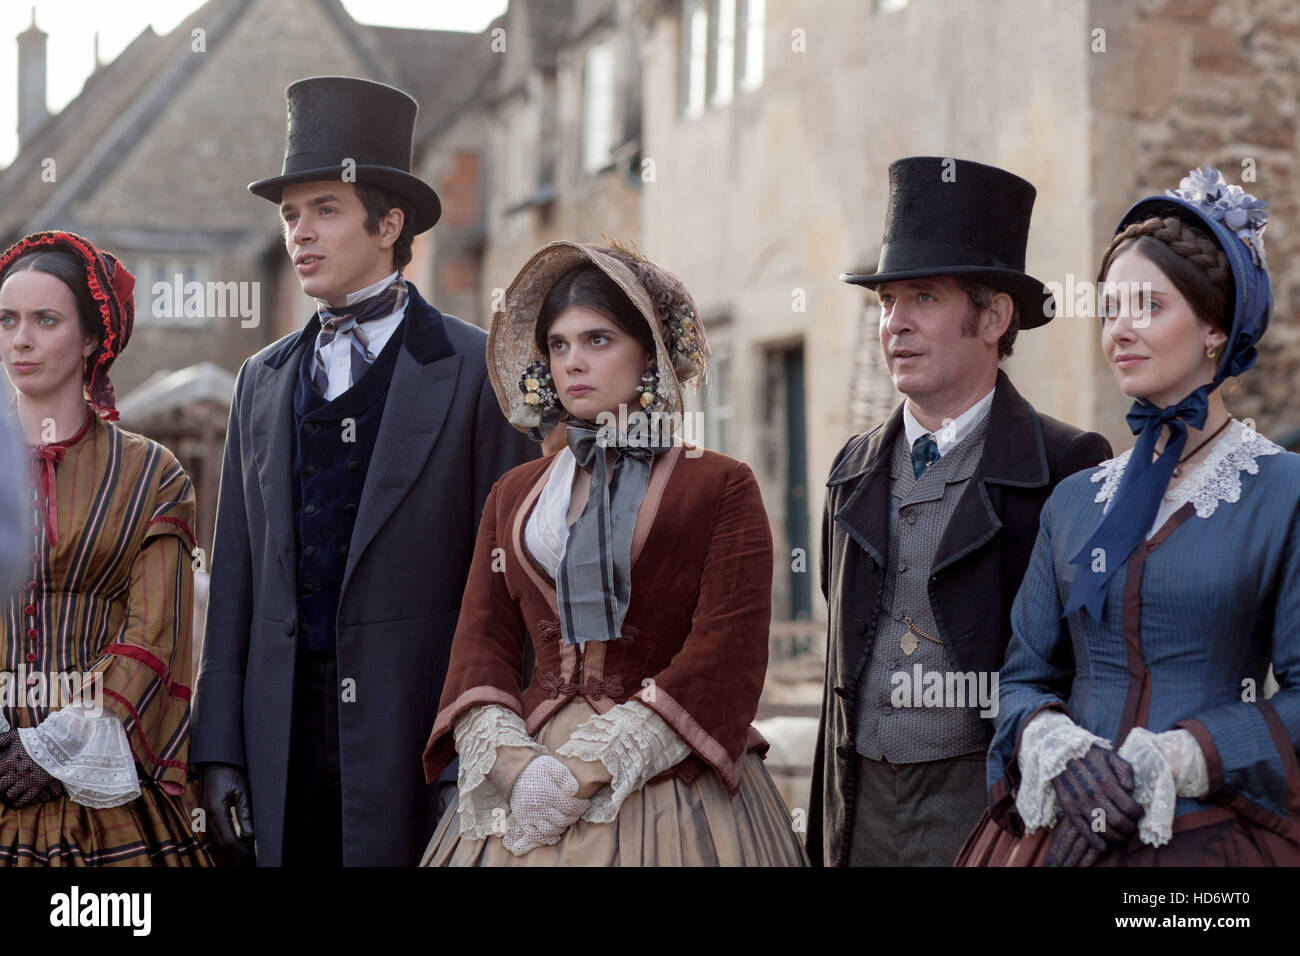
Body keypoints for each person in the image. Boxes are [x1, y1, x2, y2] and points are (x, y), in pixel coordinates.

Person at [190, 76, 537, 866]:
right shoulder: (262, 379)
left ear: (390, 222)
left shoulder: (476, 369)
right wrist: (220, 750)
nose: (300, 235)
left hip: (418, 730)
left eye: (325, 210)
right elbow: (237, 579)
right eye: (289, 215)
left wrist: (486, 748)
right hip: (279, 738)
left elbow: (509, 588)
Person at [420, 240, 808, 866]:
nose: (573, 362)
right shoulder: (514, 493)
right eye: (559, 345)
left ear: (649, 353)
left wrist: (594, 765)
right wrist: (516, 766)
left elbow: (726, 647)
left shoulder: (719, 483)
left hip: (670, 775)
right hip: (530, 769)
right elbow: (480, 644)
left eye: (598, 340)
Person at [958, 167, 1300, 866]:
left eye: (1148, 305)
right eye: (1110, 309)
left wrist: (1178, 759)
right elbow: (1024, 676)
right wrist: (1061, 750)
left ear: (1214, 327)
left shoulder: (1283, 492)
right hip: (1060, 835)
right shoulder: (1076, 501)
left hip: (1210, 840)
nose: (1120, 331)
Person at [809, 157, 1113, 866]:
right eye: (886, 302)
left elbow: (1090, 670)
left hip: (992, 804)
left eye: (924, 298)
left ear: (994, 315)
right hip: (859, 810)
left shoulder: (1067, 466)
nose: (895, 325)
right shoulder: (851, 468)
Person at [0, 230, 210, 865]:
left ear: (93, 338)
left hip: (104, 777)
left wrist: (52, 752)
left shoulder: (154, 474)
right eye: (7, 319)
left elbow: (156, 633)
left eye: (46, 319)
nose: (20, 339)